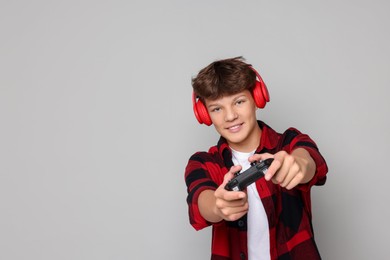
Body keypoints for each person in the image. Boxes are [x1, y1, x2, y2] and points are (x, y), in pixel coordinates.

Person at [184, 56, 328, 260]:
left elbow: (310, 161)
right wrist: (218, 206)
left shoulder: (289, 142)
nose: (230, 116)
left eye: (239, 102)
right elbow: (200, 202)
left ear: (257, 99)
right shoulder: (203, 162)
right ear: (205, 115)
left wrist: (297, 166)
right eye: (217, 108)